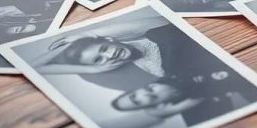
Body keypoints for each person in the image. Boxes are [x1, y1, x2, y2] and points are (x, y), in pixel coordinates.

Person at [30, 15, 200, 91]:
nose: (109, 55)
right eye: (99, 59)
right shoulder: (145, 73)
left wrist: (87, 35)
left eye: (104, 49)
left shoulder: (149, 34)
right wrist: (93, 70)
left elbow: (169, 21)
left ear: (108, 39)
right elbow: (34, 66)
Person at [110, 69, 252, 123]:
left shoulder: (172, 65)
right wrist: (173, 110)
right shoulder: (198, 116)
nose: (141, 96)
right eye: (138, 103)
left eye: (134, 95)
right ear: (155, 106)